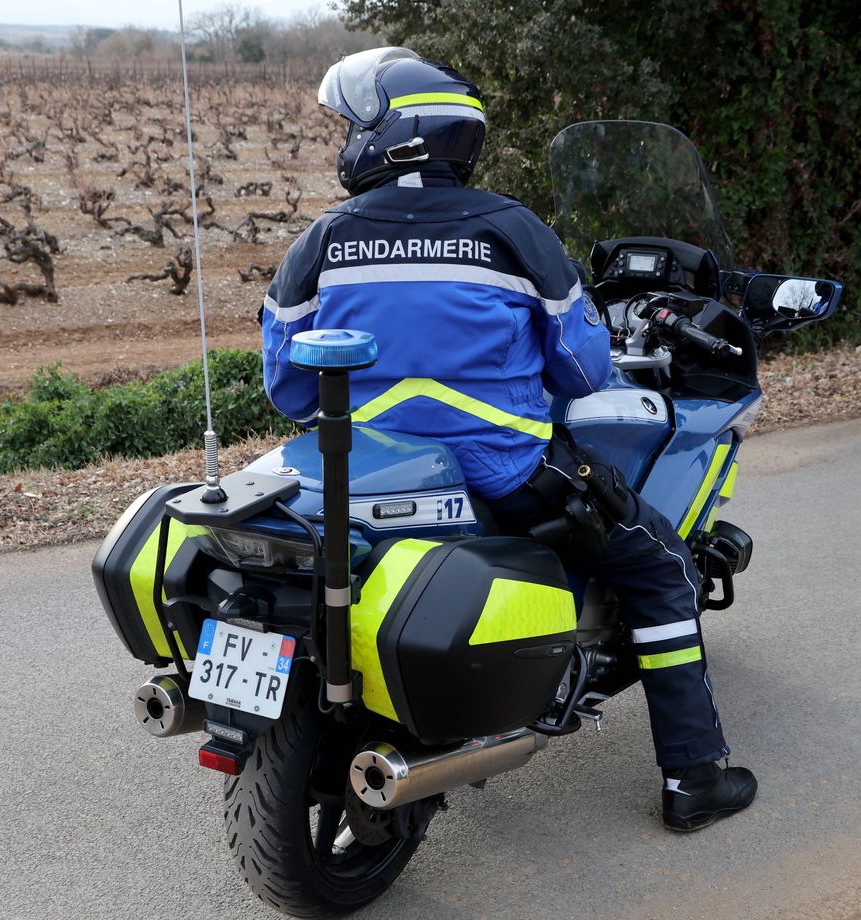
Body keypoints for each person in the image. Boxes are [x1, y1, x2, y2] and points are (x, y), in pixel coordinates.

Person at [259, 47, 756, 832]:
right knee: (660, 567)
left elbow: (287, 386)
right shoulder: (513, 231)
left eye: (350, 124)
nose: (342, 140)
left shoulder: (320, 244)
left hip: (360, 478)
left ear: (392, 135)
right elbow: (586, 370)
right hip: (505, 477)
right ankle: (694, 776)